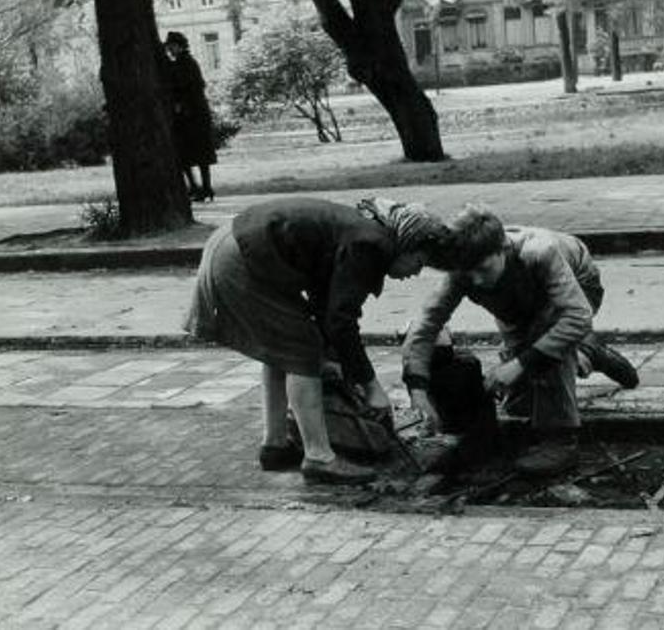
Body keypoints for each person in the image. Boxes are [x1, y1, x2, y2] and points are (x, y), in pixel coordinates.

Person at [184, 197, 453, 484]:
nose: (415, 272)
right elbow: (341, 322)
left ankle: (275, 446)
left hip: (233, 246)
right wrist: (372, 386)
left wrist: (340, 365)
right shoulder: (371, 245)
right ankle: (319, 457)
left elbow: (327, 306)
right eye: (419, 262)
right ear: (405, 245)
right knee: (301, 350)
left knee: (285, 348)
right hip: (242, 257)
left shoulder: (367, 233)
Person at [401, 206, 639, 478]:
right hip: (515, 305)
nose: (476, 280)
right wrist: (418, 388)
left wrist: (521, 363)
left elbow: (577, 316)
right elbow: (427, 324)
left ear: (502, 248)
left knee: (542, 356)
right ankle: (586, 353)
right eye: (469, 272)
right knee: (520, 405)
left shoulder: (541, 251)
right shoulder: (464, 269)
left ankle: (560, 441)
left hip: (575, 289)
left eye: (482, 269)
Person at [164, 31, 218, 201]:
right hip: (194, 114)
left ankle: (200, 187)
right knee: (193, 154)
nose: (170, 50)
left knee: (190, 153)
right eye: (169, 47)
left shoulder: (185, 63)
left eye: (172, 46)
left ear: (179, 46)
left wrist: (180, 104)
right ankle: (201, 187)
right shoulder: (184, 63)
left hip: (191, 115)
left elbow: (186, 87)